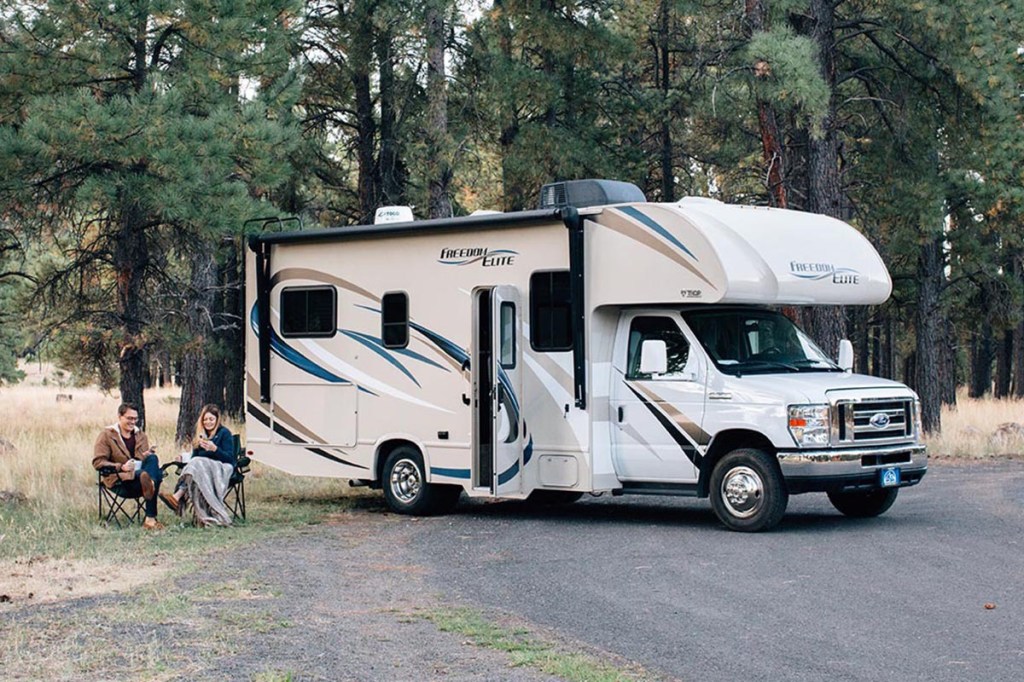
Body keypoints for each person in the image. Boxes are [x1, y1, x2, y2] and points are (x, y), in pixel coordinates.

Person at [159, 404, 237, 527]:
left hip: (221, 467)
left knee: (198, 463)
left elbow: (230, 459)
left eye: (211, 419)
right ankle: (201, 516)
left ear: (217, 420)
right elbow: (194, 457)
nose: (208, 422)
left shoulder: (224, 433)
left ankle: (177, 496)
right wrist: (182, 458)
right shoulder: (201, 435)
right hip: (202, 469)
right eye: (205, 419)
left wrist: (215, 449)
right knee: (196, 465)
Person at [93, 402, 165, 530]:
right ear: (119, 416)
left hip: (140, 482)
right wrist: (121, 467)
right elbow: (98, 462)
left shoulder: (141, 435)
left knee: (152, 458)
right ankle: (150, 518)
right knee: (153, 474)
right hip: (121, 482)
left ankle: (151, 484)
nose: (133, 422)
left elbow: (139, 460)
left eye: (135, 419)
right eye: (129, 418)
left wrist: (145, 455)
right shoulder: (107, 435)